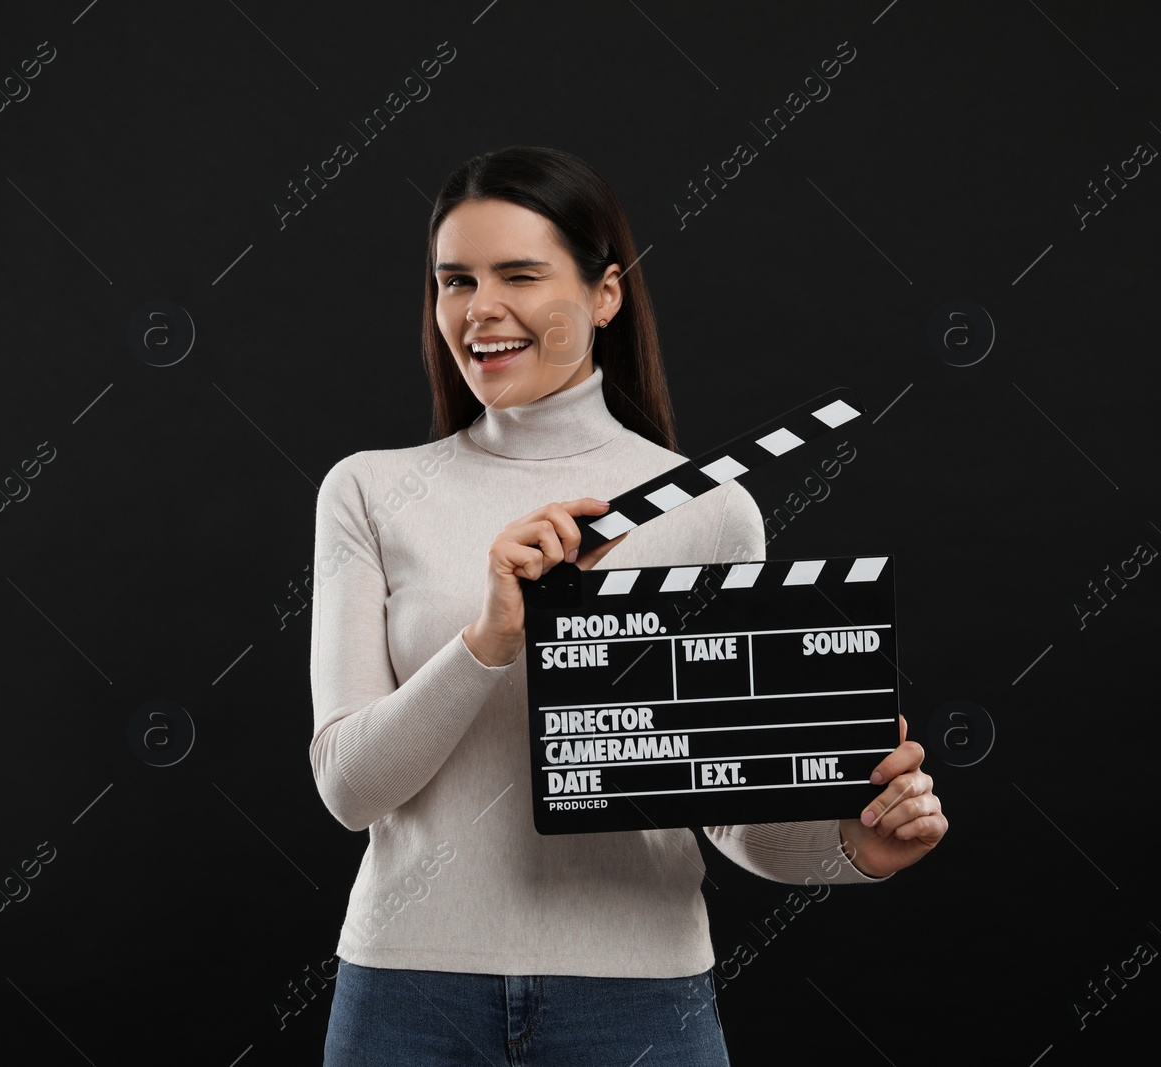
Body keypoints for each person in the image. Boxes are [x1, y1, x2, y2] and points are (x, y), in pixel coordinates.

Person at [307, 145, 947, 1066]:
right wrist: (492, 635)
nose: (480, 309)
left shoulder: (713, 507)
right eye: (455, 280)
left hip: (640, 997)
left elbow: (728, 810)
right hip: (408, 993)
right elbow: (349, 785)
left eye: (519, 274)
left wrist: (849, 844)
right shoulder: (369, 492)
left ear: (606, 294)